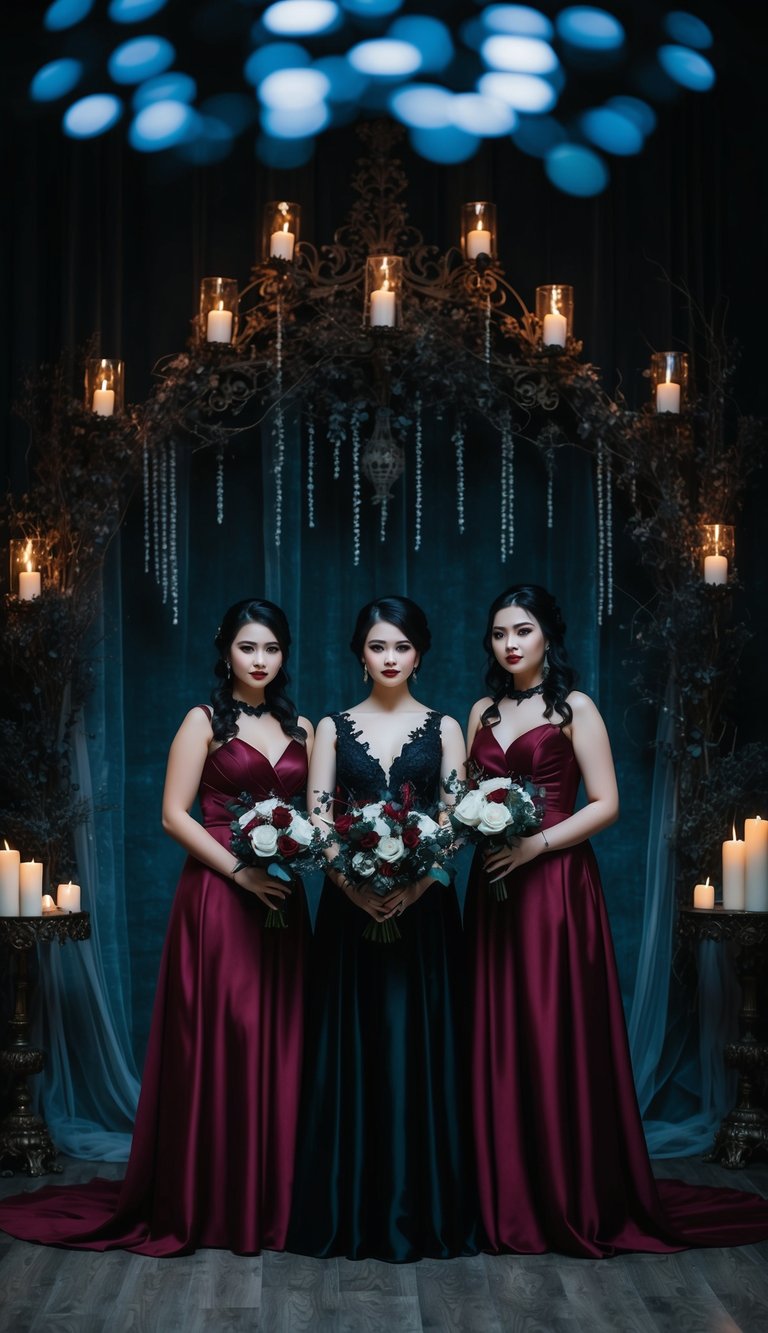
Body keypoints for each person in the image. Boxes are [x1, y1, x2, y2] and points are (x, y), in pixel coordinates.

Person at [0, 598, 313, 1255]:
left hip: (283, 901)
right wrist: (241, 873)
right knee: (226, 1037)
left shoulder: (303, 728)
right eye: (248, 647)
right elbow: (175, 815)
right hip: (221, 898)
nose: (259, 660)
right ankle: (213, 1196)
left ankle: (273, 1194)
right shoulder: (202, 721)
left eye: (272, 649)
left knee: (282, 1037)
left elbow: (312, 817)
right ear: (225, 648)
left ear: (285, 655)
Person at [464, 583, 768, 1258]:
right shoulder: (481, 710)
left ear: (549, 636)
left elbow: (607, 803)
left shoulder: (576, 708)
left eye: (523, 630)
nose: (510, 643)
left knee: (552, 1029)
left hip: (555, 887)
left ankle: (567, 1191)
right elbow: (464, 795)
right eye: (499, 633)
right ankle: (504, 1190)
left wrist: (536, 844)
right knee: (499, 1028)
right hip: (492, 887)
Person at [288, 595, 477, 1262]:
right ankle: (348, 1213)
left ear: (419, 653)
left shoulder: (448, 727)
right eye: (377, 646)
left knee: (418, 1054)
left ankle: (422, 1213)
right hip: (349, 913)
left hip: (424, 916)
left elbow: (455, 822)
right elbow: (316, 819)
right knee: (352, 1052)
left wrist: (417, 886)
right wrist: (353, 889)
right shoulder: (332, 729)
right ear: (360, 653)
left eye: (400, 646)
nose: (389, 657)